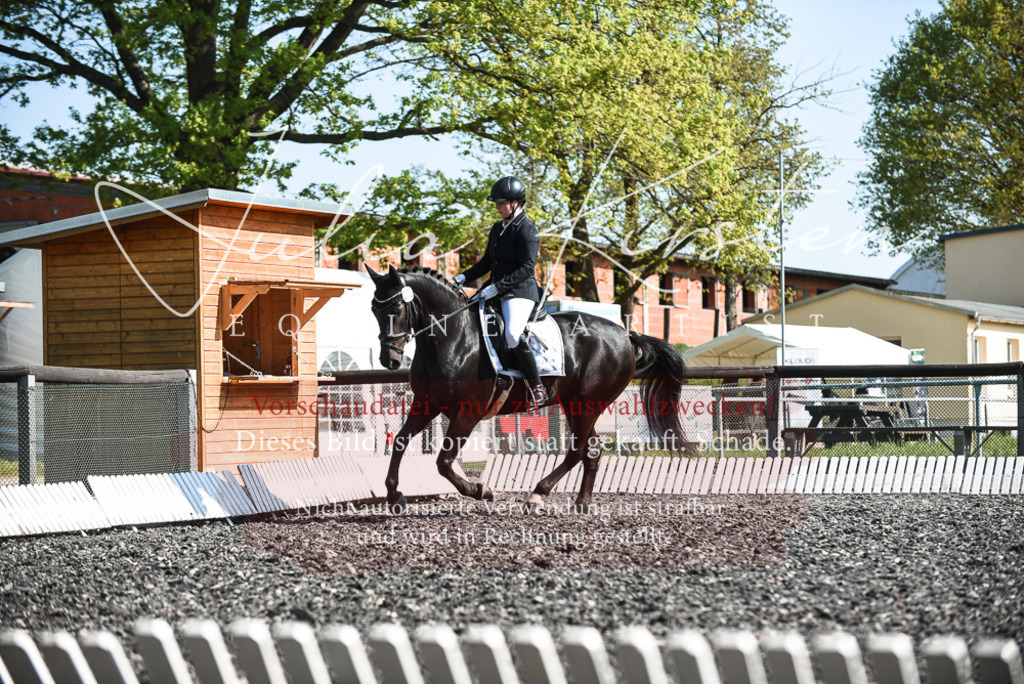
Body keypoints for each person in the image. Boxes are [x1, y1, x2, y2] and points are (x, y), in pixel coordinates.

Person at [454, 176, 547, 412]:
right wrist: (463, 277)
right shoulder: (498, 228)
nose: (497, 207)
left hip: (520, 291)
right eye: (496, 203)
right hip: (494, 288)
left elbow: (527, 268)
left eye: (501, 203)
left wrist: (497, 287)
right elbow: (487, 261)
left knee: (513, 334)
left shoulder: (527, 230)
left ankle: (536, 386)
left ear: (516, 203)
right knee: (469, 320)